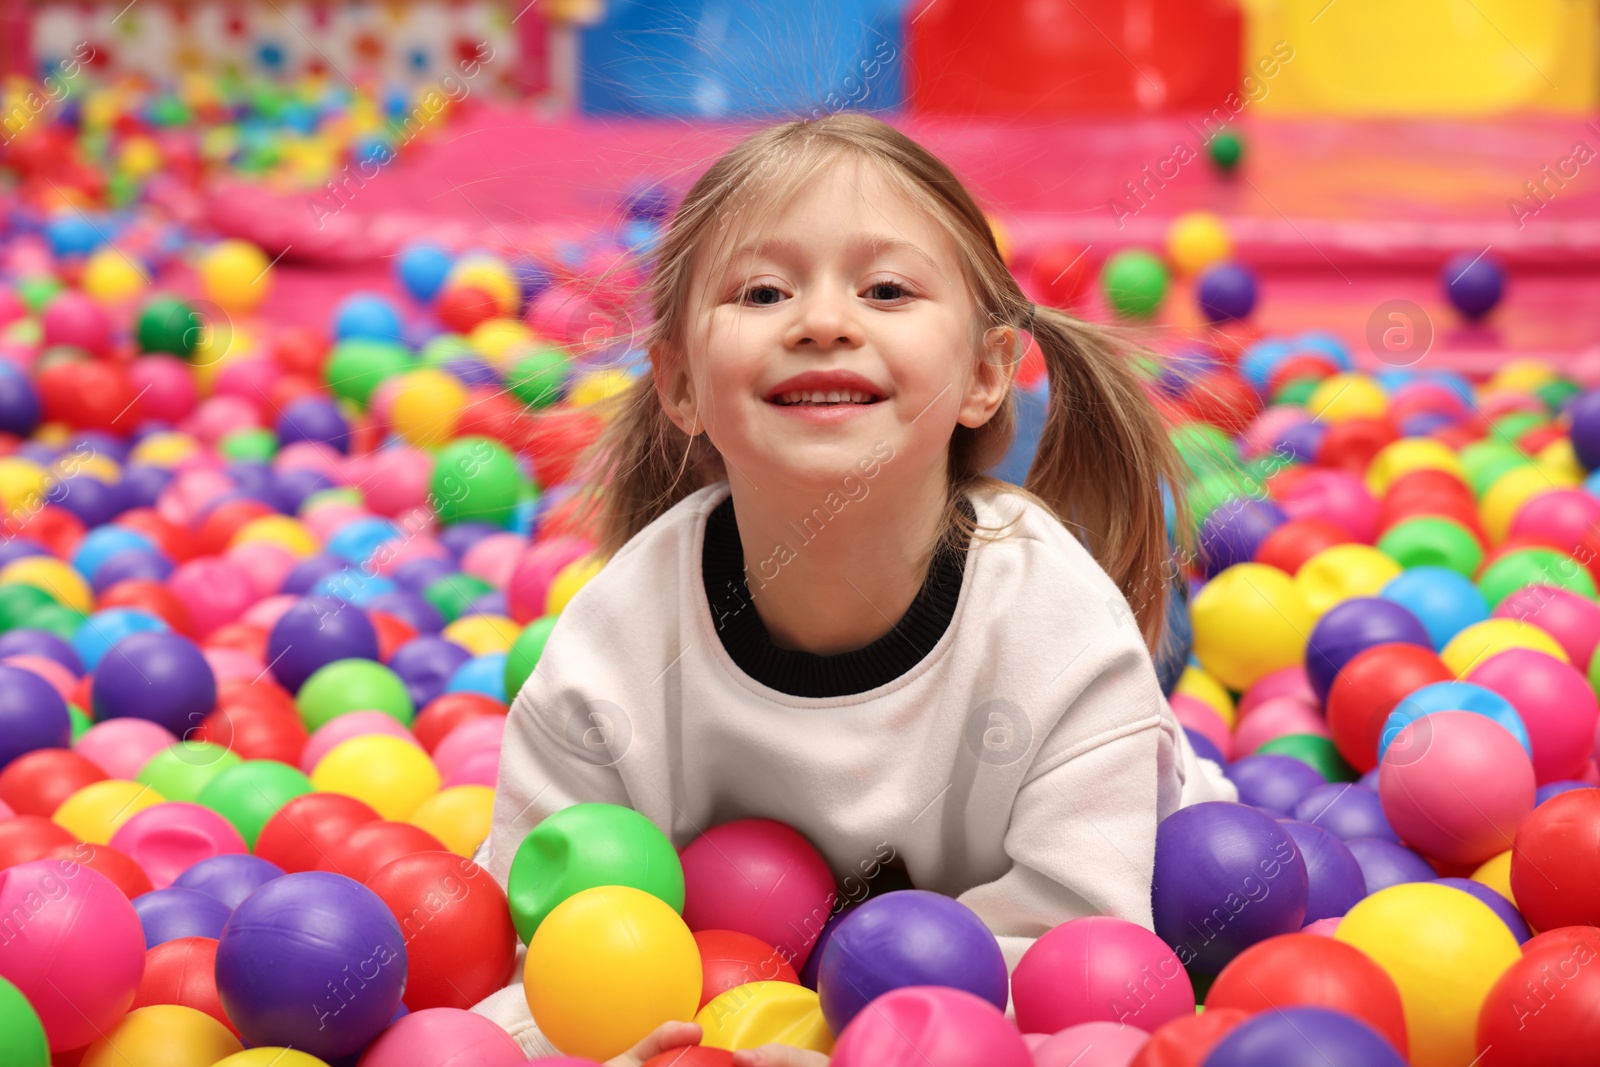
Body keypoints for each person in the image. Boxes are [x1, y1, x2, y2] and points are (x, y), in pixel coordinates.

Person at [470, 110, 1235, 1064]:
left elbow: (1081, 969)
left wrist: (837, 1041)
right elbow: (514, 952)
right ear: (677, 382)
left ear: (987, 372)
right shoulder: (614, 650)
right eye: (761, 291)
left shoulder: (1058, 631)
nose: (824, 321)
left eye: (885, 289)